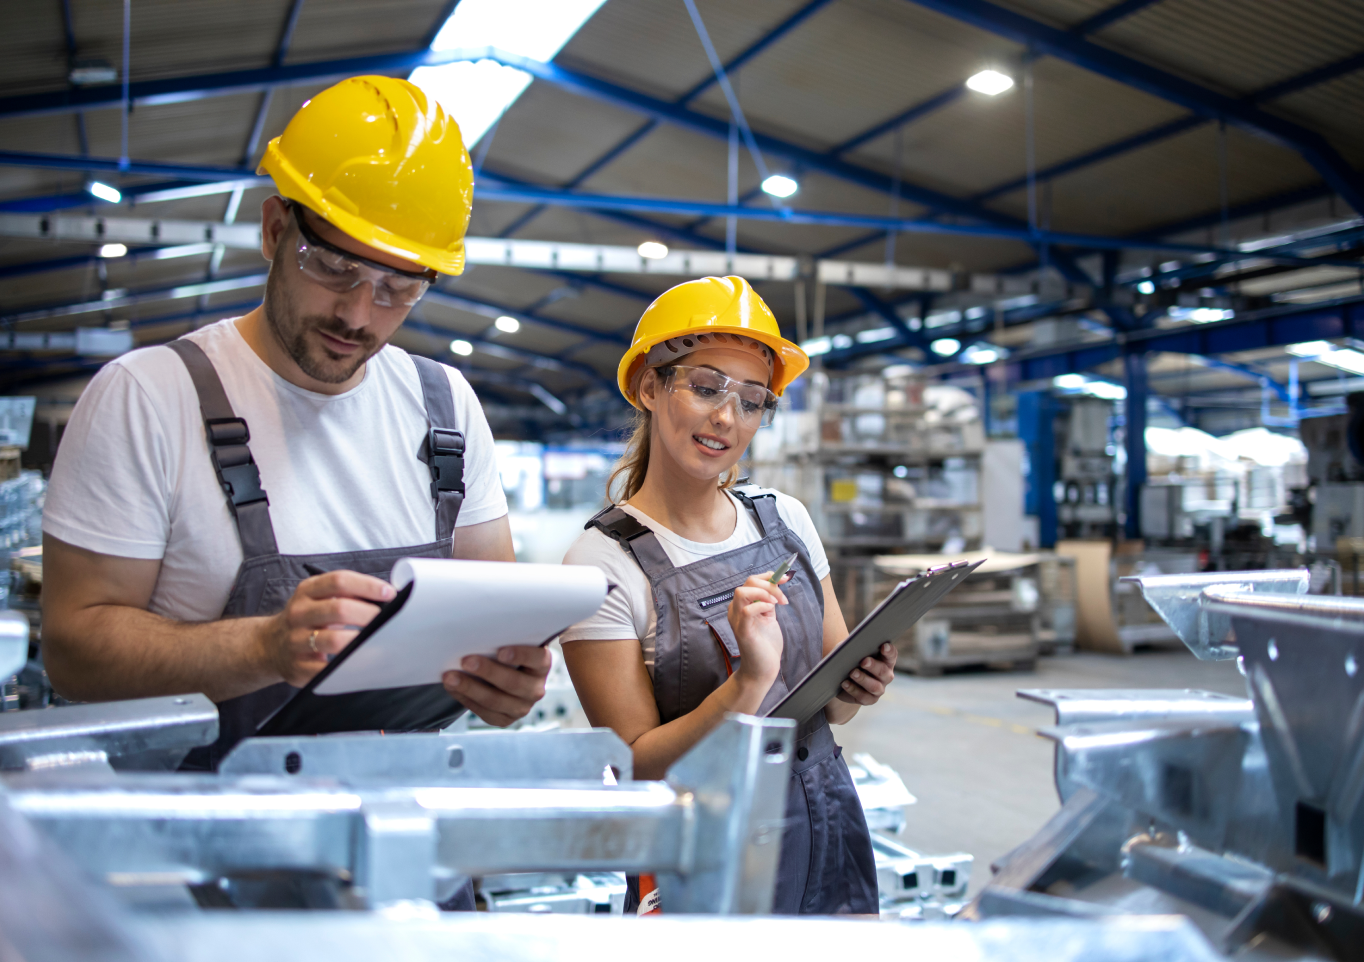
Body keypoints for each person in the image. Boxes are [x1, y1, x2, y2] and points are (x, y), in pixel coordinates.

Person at [39, 76, 551, 784]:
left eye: (399, 289)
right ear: (277, 228)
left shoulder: (446, 406)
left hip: (403, 840)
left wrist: (506, 684)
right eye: (333, 267)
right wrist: (260, 648)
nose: (360, 315)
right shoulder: (150, 397)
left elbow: (496, 619)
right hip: (195, 849)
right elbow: (72, 651)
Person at [559, 276, 894, 915]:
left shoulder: (786, 519)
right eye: (706, 387)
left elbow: (835, 709)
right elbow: (638, 765)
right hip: (700, 851)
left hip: (822, 817)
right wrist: (747, 686)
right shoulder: (603, 562)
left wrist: (862, 683)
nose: (726, 418)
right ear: (650, 387)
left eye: (750, 400)